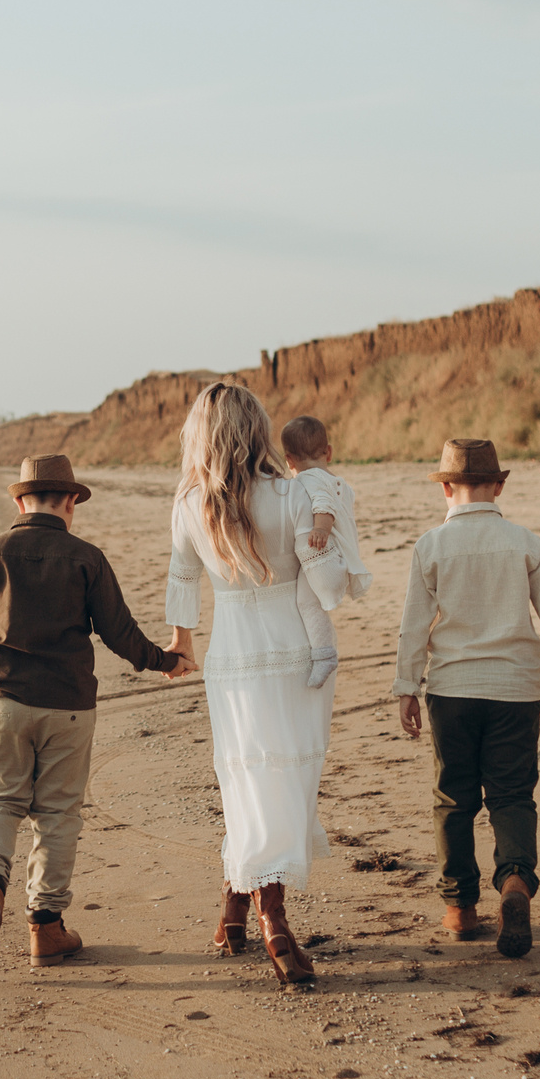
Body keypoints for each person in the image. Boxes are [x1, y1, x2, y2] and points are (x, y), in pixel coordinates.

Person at [0, 454, 195, 972]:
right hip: (69, 709)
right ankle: (45, 929)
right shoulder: (86, 558)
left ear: (19, 501)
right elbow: (118, 631)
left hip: (1, 703)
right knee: (58, 815)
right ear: (70, 503)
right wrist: (165, 662)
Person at [163, 384, 351, 987]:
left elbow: (183, 580)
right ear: (257, 429)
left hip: (234, 656)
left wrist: (181, 644)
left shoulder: (190, 503)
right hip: (295, 651)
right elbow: (325, 580)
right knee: (285, 779)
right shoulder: (293, 493)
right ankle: (273, 917)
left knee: (247, 778)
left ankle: (235, 912)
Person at [390, 438, 540, 958]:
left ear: (444, 488)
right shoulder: (525, 542)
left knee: (454, 798)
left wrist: (406, 687)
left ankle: (460, 907)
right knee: (511, 794)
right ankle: (514, 884)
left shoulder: (430, 547)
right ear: (500, 485)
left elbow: (413, 626)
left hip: (451, 689)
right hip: (516, 689)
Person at [281, 414, 375, 690]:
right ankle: (323, 648)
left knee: (307, 605)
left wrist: (321, 528)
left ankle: (324, 655)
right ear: (329, 452)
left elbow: (323, 504)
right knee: (313, 605)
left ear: (289, 461)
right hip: (340, 559)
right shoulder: (340, 483)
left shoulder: (306, 480)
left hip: (323, 559)